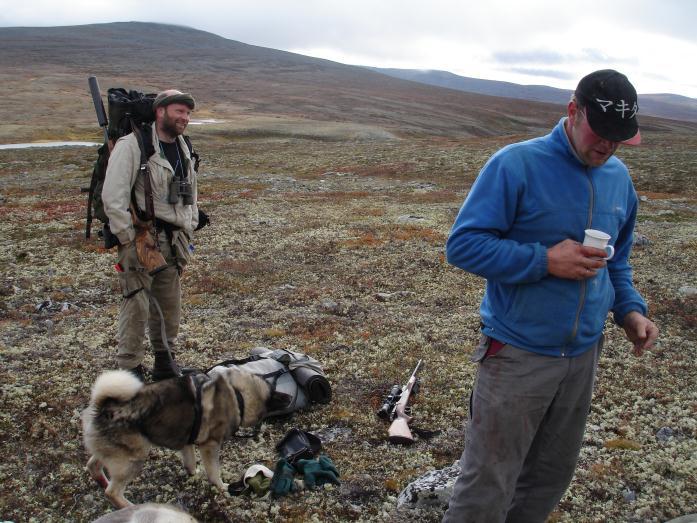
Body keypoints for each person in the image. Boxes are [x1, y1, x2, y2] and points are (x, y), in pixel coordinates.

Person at [442, 70, 658, 522]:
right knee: (488, 482)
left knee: (549, 476)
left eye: (618, 140)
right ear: (572, 111)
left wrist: (631, 311)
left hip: (582, 356)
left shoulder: (618, 179)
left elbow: (616, 262)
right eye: (600, 135)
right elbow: (463, 244)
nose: (607, 148)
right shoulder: (516, 164)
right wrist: (545, 260)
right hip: (517, 353)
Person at [102, 89, 199, 381]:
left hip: (174, 240)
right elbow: (113, 196)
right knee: (136, 303)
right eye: (179, 111)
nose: (184, 118)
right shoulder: (133, 145)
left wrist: (189, 225)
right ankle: (129, 368)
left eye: (187, 113)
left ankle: (164, 362)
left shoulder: (184, 147)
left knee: (169, 305)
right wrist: (128, 238)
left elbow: (192, 191)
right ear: (160, 111)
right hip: (142, 240)